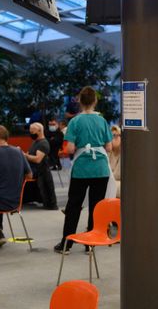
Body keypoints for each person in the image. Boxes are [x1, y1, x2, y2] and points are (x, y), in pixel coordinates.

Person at [55, 86, 113, 254]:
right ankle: (91, 243)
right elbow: (109, 147)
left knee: (74, 205)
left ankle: (66, 243)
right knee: (96, 206)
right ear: (95, 101)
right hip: (101, 169)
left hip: (81, 168)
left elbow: (70, 149)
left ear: (79, 101)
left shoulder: (75, 122)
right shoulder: (102, 121)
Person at [25, 123, 58, 210]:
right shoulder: (35, 142)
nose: (31, 133)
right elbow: (29, 154)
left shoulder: (43, 143)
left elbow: (37, 159)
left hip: (40, 171)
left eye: (32, 131)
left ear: (39, 131)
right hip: (34, 169)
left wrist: (25, 155)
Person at [110, 125, 122, 198]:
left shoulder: (126, 155)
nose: (112, 138)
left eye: (115, 136)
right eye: (110, 136)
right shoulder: (107, 153)